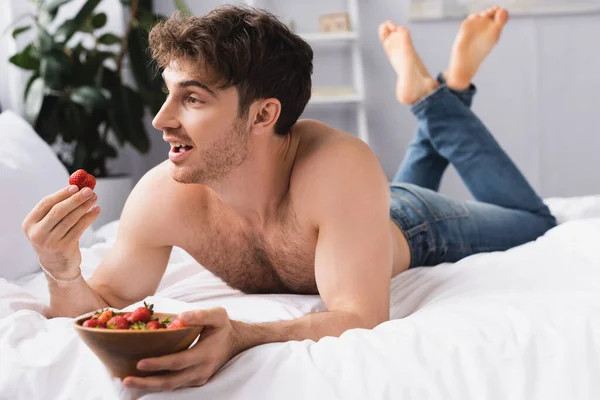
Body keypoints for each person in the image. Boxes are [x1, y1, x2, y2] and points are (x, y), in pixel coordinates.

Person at [22, 5, 555, 390]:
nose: (161, 120)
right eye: (168, 93)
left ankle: (440, 98)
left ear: (263, 115)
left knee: (532, 218)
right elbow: (103, 302)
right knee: (378, 192)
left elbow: (361, 315)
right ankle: (440, 93)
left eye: (192, 98)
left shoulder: (340, 165)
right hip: (354, 211)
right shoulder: (163, 194)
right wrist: (63, 272)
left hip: (409, 222)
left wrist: (241, 334)